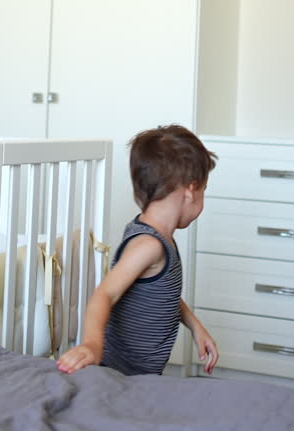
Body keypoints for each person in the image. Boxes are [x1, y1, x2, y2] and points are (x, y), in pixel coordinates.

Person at [57, 124, 219, 377]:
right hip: (119, 372)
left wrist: (194, 326)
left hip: (142, 373)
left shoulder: (155, 236)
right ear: (190, 191)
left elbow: (163, 293)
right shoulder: (149, 245)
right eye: (204, 190)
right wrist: (91, 344)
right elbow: (104, 295)